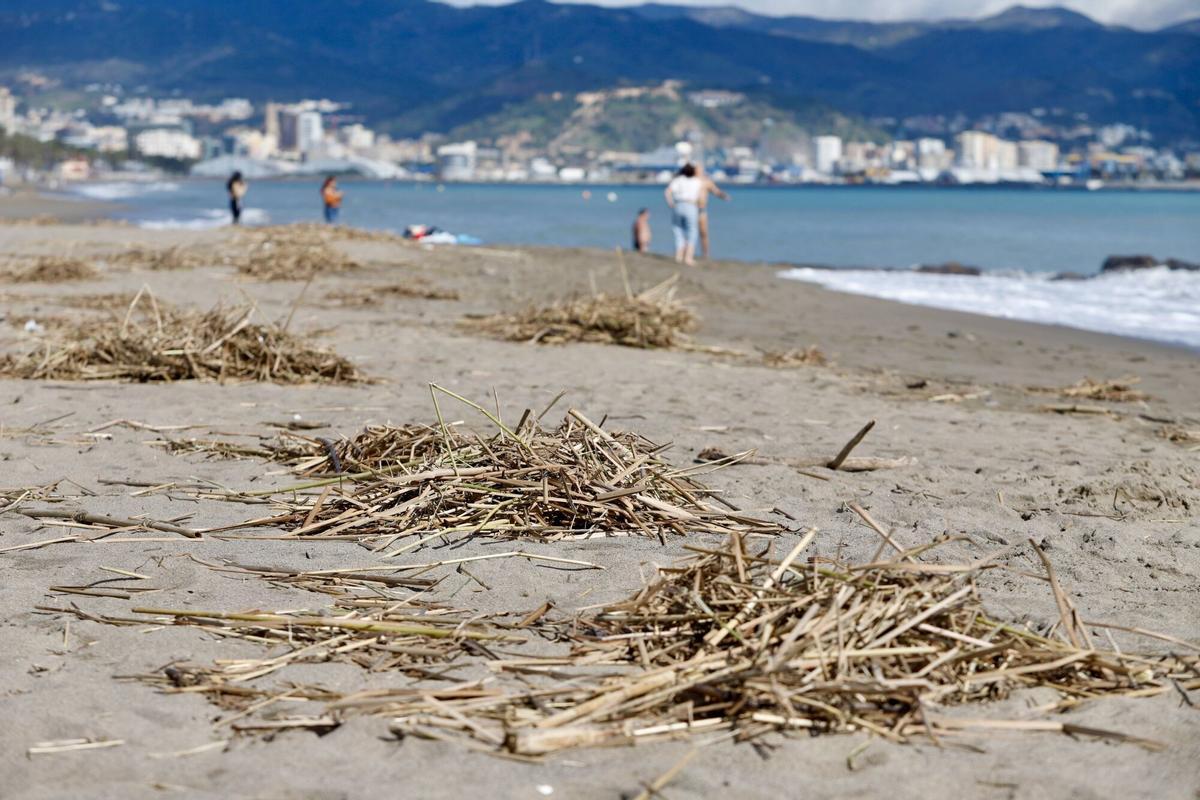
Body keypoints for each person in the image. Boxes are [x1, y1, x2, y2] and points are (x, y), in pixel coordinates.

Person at [664, 163, 702, 266]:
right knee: (692, 231)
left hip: (678, 205)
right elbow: (700, 197)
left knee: (677, 230)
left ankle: (678, 256)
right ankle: (688, 258)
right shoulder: (697, 181)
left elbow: (667, 192)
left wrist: (671, 203)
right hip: (691, 206)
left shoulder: (678, 180)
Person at [695, 163, 729, 259]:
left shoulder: (706, 182)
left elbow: (715, 191)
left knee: (704, 233)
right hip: (691, 209)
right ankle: (687, 253)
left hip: (702, 210)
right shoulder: (690, 180)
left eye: (700, 169)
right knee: (690, 232)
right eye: (697, 169)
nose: (698, 171)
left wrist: (723, 196)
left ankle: (705, 254)